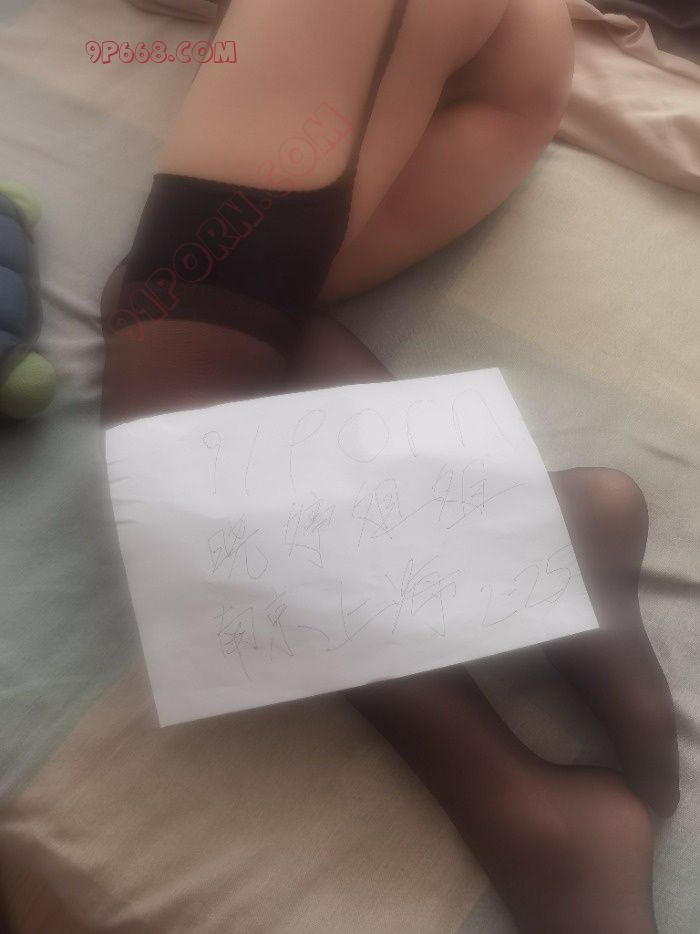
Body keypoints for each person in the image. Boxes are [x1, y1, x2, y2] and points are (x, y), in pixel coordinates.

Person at [99, 2, 679, 930]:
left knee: (170, 332)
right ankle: (538, 542)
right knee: (175, 320)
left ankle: (525, 798)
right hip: (497, 65)